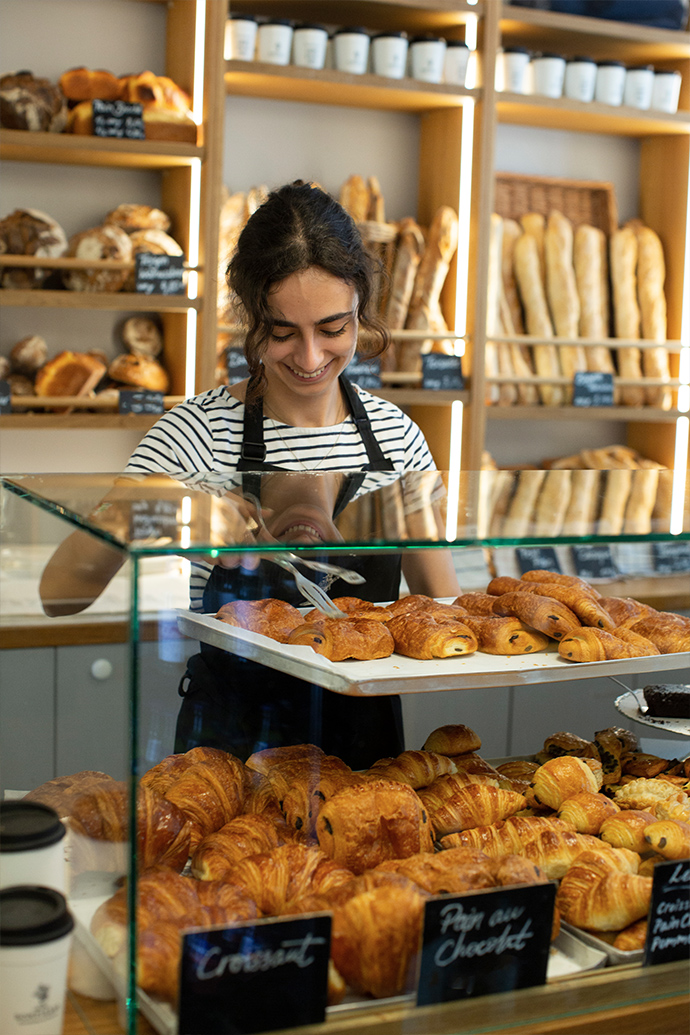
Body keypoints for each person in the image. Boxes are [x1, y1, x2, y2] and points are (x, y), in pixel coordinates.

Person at [40, 180, 461, 768]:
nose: (310, 358)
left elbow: (445, 616)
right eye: (283, 332)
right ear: (248, 316)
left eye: (333, 329)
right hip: (227, 767)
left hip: (367, 775)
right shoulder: (196, 434)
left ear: (360, 310)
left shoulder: (395, 439)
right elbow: (60, 597)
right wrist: (162, 508)